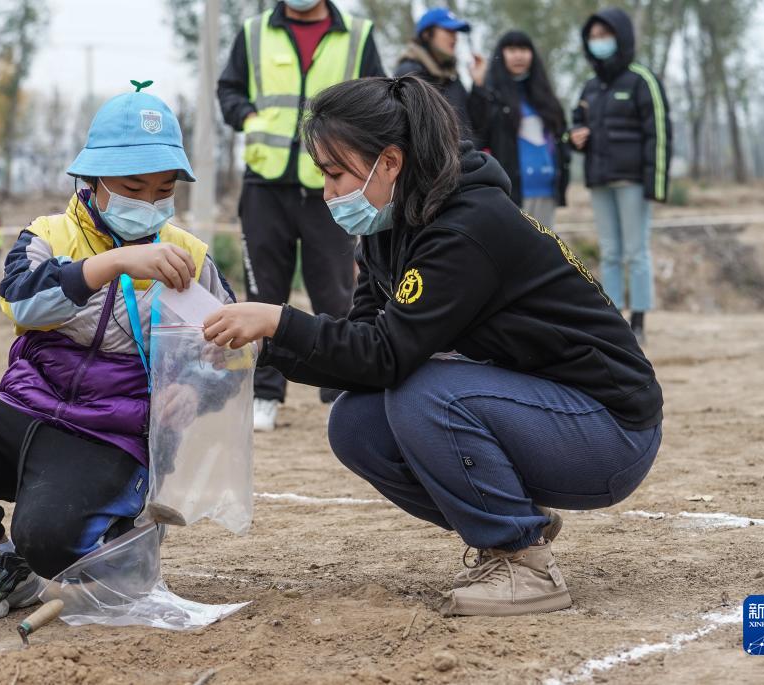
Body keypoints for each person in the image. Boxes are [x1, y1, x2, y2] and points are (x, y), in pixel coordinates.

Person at [202, 76, 663, 617]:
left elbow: (386, 355)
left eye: (335, 173)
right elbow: (363, 348)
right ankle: (511, 525)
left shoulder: (467, 228)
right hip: (543, 410)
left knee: (424, 390)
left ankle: (524, 564)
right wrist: (261, 346)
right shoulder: (389, 225)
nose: (327, 192)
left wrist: (280, 321)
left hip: (609, 433)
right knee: (356, 424)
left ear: (390, 163)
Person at [0, 82, 236, 625]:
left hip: (111, 439)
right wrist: (112, 265)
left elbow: (231, 357)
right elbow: (21, 303)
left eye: (163, 191)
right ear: (93, 180)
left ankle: (121, 531)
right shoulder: (47, 236)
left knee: (49, 540)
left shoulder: (191, 257)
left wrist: (195, 389)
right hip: (22, 415)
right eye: (134, 186)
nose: (150, 202)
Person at [217, 0, 385, 432]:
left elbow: (378, 96)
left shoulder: (358, 35)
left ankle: (341, 387)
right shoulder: (253, 31)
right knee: (263, 289)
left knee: (335, 288)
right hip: (265, 182)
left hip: (331, 180)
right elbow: (228, 90)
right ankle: (265, 393)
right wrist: (248, 116)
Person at [570, 7, 672, 344]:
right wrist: (575, 137)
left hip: (632, 181)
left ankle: (639, 319)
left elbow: (659, 132)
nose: (599, 42)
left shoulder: (642, 79)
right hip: (600, 180)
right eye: (594, 37)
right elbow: (574, 126)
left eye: (605, 35)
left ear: (621, 37)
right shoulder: (590, 87)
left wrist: (655, 185)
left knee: (636, 251)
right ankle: (613, 319)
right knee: (610, 251)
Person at [472, 31, 569, 228]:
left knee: (545, 254)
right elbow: (477, 131)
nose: (519, 55)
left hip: (546, 192)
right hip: (510, 194)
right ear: (502, 54)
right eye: (512, 49)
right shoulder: (491, 96)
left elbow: (561, 138)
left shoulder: (546, 97)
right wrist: (478, 87)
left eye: (524, 49)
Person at [394, 7, 485, 139]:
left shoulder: (451, 77)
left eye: (456, 32)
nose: (455, 37)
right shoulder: (409, 74)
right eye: (448, 30)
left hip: (466, 159)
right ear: (427, 34)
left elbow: (475, 125)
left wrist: (478, 84)